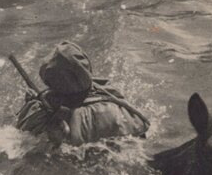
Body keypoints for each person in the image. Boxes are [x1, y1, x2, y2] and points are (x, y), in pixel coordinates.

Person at [16, 41, 150, 146]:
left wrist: (32, 106)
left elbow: (21, 137)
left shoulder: (43, 117)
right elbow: (140, 132)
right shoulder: (112, 102)